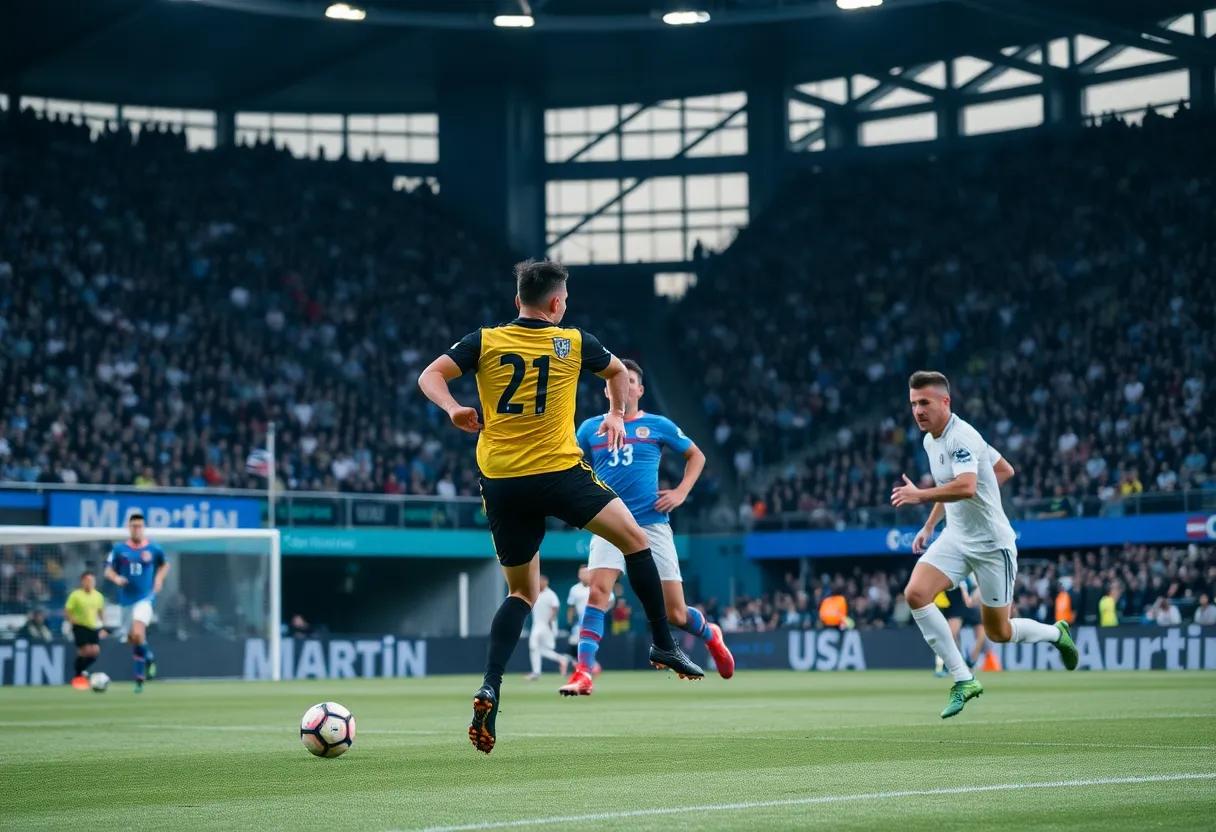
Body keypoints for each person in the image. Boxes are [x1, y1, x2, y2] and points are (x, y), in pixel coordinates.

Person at [418, 258, 703, 754]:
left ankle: (491, 685)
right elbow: (617, 372)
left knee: (522, 593)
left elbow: (430, 376)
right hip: (558, 473)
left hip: (503, 480)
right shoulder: (572, 341)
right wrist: (616, 414)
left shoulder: (484, 340)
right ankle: (663, 641)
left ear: (516, 301)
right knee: (636, 541)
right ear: (555, 303)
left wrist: (454, 409)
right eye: (565, 300)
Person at [892, 371, 1078, 719]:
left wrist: (921, 496)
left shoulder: (961, 437)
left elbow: (963, 487)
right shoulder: (931, 440)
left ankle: (1056, 633)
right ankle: (963, 679)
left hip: (993, 546)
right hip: (956, 538)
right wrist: (930, 525)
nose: (918, 410)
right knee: (916, 593)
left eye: (925, 402)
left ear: (945, 402)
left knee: (999, 632)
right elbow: (1002, 469)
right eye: (914, 403)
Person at [560, 359, 734, 696]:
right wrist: (580, 506)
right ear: (606, 388)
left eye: (631, 381)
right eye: (616, 381)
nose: (623, 386)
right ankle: (583, 672)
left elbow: (696, 456)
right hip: (609, 520)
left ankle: (711, 634)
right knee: (597, 592)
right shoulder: (589, 429)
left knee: (677, 614)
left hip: (651, 523)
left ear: (640, 389)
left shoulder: (657, 425)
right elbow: (573, 469)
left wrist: (682, 492)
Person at [104, 513, 168, 693]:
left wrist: (159, 579)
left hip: (145, 598)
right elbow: (107, 570)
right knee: (133, 639)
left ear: (144, 528)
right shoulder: (119, 549)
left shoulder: (154, 548)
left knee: (138, 633)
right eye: (134, 526)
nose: (137, 529)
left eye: (140, 526)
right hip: (126, 601)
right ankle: (148, 657)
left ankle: (139, 680)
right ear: (129, 528)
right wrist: (116, 578)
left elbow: (164, 564)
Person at [934, 573, 985, 676]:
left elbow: (977, 585)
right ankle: (951, 664)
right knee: (951, 634)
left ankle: (970, 662)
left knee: (982, 634)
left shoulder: (973, 569)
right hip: (957, 601)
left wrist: (972, 597)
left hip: (972, 603)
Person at [64, 571, 107, 689]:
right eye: (87, 580)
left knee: (95, 651)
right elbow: (68, 610)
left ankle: (81, 671)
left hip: (93, 626)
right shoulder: (76, 595)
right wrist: (73, 622)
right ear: (82, 582)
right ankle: (78, 676)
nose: (90, 583)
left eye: (92, 580)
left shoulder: (98, 596)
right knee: (86, 650)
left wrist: (104, 626)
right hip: (80, 625)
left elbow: (101, 611)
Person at [565, 564, 609, 673]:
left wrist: (602, 612)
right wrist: (570, 621)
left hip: (594, 622)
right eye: (581, 573)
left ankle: (590, 666)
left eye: (585, 572)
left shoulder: (596, 586)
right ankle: (589, 666)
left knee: (589, 643)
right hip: (579, 623)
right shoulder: (575, 589)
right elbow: (571, 607)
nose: (583, 575)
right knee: (574, 643)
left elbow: (611, 599)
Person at [527, 575, 571, 679]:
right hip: (537, 625)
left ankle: (561, 660)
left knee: (542, 649)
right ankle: (538, 671)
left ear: (546, 581)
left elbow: (556, 607)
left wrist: (550, 620)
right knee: (535, 647)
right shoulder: (534, 593)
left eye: (541, 581)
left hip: (547, 626)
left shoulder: (551, 594)